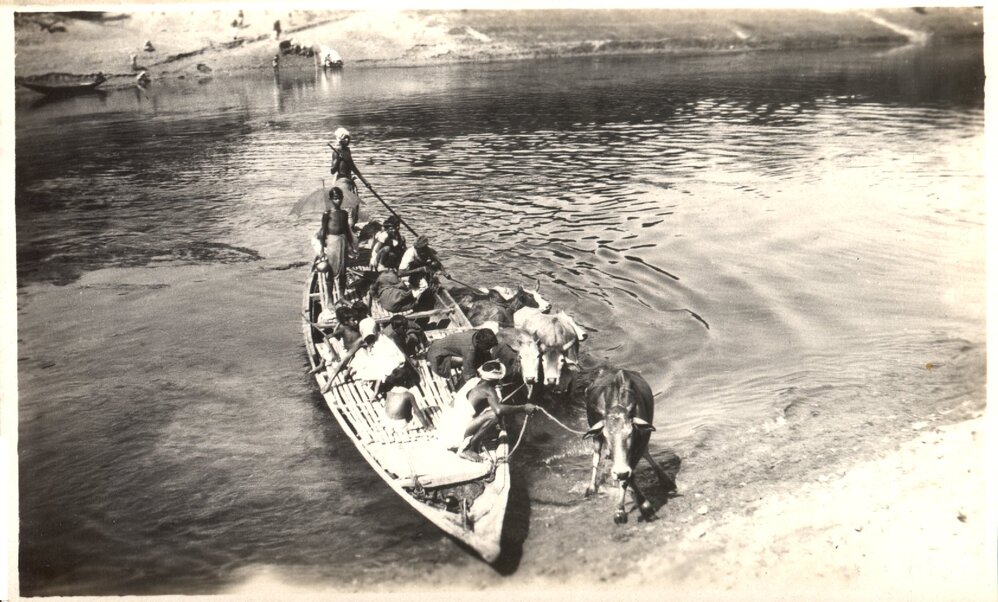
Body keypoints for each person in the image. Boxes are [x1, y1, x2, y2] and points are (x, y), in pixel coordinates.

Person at [436, 361, 537, 461]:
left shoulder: (473, 381)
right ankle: (469, 449)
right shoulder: (488, 390)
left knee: (488, 413)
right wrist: (523, 408)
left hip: (444, 431)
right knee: (494, 416)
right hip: (453, 437)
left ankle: (469, 443)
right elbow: (498, 410)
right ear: (497, 379)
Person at [325, 317, 418, 396]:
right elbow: (344, 360)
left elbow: (400, 355)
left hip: (387, 368)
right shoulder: (361, 341)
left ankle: (389, 384)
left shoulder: (385, 338)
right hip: (377, 366)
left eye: (371, 336)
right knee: (360, 353)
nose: (369, 339)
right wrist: (329, 383)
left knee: (395, 368)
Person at [312, 188, 355, 300]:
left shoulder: (344, 213)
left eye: (340, 198)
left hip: (342, 241)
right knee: (330, 271)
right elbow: (323, 232)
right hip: (332, 241)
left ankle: (341, 296)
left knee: (343, 270)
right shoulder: (327, 214)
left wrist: (351, 245)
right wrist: (321, 250)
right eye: (335, 198)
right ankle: (330, 299)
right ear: (330, 199)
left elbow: (346, 230)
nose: (338, 201)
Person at [426, 327, 499, 386]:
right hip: (438, 358)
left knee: (480, 356)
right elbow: (468, 376)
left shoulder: (476, 333)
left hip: (439, 346)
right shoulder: (470, 351)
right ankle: (459, 386)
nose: (488, 350)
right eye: (486, 347)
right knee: (473, 361)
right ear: (478, 342)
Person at [329, 127, 363, 228]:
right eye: (345, 138)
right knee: (348, 209)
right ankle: (348, 230)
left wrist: (364, 180)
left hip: (349, 181)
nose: (348, 140)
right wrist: (338, 160)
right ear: (340, 139)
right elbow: (332, 170)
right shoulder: (336, 152)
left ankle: (351, 228)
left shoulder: (347, 150)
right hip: (342, 182)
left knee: (354, 208)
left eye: (348, 138)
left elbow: (352, 166)